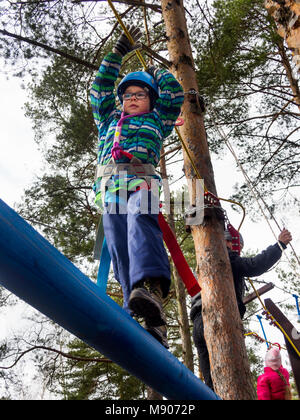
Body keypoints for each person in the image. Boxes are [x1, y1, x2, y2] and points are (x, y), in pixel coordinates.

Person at [90, 26, 184, 348]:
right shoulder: (108, 119)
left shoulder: (158, 119)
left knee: (138, 216)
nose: (132, 99)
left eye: (140, 94)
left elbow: (174, 95)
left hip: (142, 182)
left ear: (150, 100)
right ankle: (145, 312)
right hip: (111, 188)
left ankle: (152, 286)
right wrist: (118, 52)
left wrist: (155, 71)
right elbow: (100, 88)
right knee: (118, 239)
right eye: (128, 94)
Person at [190, 228, 292, 391]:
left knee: (210, 385)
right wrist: (279, 246)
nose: (237, 250)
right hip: (217, 318)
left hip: (198, 323)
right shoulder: (222, 254)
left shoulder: (202, 262)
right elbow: (254, 266)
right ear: (226, 241)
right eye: (236, 246)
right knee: (232, 379)